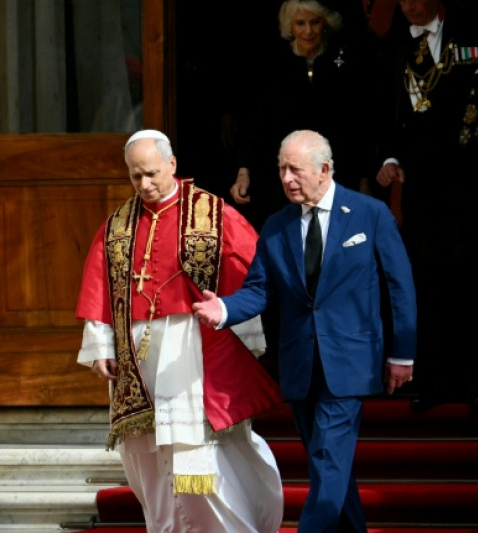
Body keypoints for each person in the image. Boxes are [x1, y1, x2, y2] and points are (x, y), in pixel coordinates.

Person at [194, 130, 417, 533]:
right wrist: (224, 307)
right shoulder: (278, 226)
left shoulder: (369, 214)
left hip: (349, 364)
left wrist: (402, 354)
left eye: (294, 169)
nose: (286, 178)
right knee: (332, 470)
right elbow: (259, 289)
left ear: (324, 170)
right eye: (281, 169)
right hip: (300, 366)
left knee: (329, 463)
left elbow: (399, 287)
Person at [75, 130, 284, 532]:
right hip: (136, 351)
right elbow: (99, 287)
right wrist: (102, 344)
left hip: (193, 346)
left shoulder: (212, 212)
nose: (145, 184)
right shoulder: (118, 225)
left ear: (172, 164)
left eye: (152, 173)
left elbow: (251, 273)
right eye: (136, 176)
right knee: (143, 452)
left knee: (199, 456)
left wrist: (248, 335)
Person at [373, 0, 478, 406]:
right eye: (404, 0)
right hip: (422, 185)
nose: (412, 6)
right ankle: (431, 379)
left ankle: (477, 380)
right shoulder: (394, 45)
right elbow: (386, 109)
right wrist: (388, 160)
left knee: (471, 278)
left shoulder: (474, 33)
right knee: (426, 280)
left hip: (471, 179)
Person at [229, 0, 378, 231]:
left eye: (314, 22)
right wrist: (243, 172)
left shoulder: (343, 63)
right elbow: (254, 125)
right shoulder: (274, 65)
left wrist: (365, 178)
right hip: (283, 180)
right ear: (290, 27)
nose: (308, 31)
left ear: (325, 24)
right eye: (300, 23)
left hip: (335, 176)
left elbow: (358, 125)